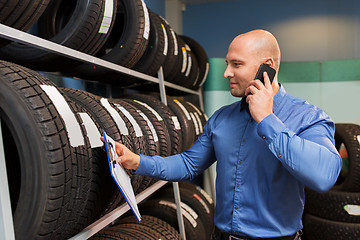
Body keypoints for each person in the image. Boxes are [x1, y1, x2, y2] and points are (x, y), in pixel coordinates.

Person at [102, 29, 342, 240]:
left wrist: (267, 119)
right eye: (228, 63)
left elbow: (323, 177)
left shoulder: (308, 117)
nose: (226, 73)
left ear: (267, 66)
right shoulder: (221, 118)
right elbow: (188, 164)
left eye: (236, 64)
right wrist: (138, 161)